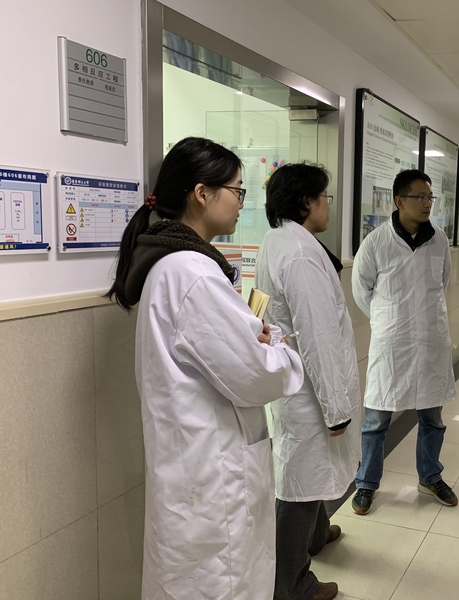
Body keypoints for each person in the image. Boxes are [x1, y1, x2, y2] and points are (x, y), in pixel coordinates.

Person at [106, 137, 305, 599]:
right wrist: (277, 344)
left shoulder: (173, 267)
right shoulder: (191, 272)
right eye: (237, 190)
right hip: (214, 482)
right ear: (201, 193)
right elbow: (260, 374)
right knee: (219, 584)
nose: (241, 202)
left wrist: (252, 338)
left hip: (196, 470)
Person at [255, 163, 360, 600]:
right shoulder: (299, 254)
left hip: (291, 383)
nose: (327, 206)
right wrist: (336, 409)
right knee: (299, 484)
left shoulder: (277, 240)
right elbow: (318, 338)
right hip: (308, 393)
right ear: (306, 202)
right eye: (324, 197)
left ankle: (317, 536)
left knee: (308, 470)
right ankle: (292, 585)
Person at [350, 169, 458, 515]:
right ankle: (366, 483)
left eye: (430, 197)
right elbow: (360, 290)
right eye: (419, 197)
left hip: (430, 342)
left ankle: (430, 476)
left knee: (433, 418)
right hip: (392, 344)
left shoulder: (439, 240)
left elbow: (443, 282)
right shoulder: (376, 242)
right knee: (375, 420)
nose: (427, 203)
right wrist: (388, 320)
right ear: (399, 201)